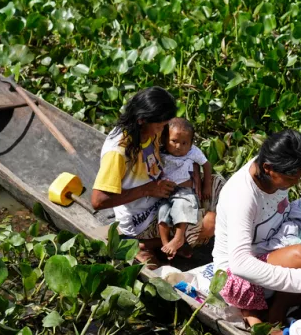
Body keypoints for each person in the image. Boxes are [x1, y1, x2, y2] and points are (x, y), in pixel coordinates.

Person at [211, 129, 301, 335]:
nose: (295, 182)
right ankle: (272, 316)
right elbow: (239, 264)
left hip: (276, 257)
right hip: (238, 276)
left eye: (299, 176)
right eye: (290, 178)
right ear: (268, 168)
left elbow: (282, 216)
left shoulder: (273, 171)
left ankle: (273, 308)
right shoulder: (242, 196)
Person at [90, 87, 223, 266]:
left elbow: (182, 150)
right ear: (142, 120)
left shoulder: (151, 129)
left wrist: (195, 175)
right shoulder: (119, 151)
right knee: (208, 225)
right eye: (160, 126)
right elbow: (98, 201)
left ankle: (171, 240)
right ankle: (143, 244)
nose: (163, 130)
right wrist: (148, 190)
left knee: (219, 184)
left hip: (161, 193)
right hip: (142, 217)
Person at [157, 117, 213, 260]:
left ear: (190, 143)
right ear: (165, 138)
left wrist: (206, 185)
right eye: (174, 141)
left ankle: (179, 238)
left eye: (184, 143)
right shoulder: (160, 150)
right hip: (165, 193)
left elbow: (207, 165)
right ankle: (166, 245)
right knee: (163, 214)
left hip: (184, 192)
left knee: (182, 207)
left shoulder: (192, 152)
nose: (178, 146)